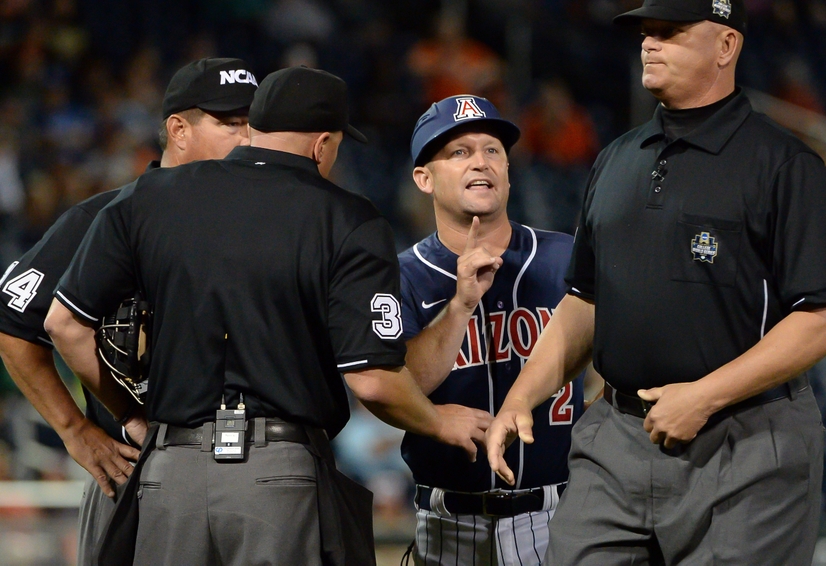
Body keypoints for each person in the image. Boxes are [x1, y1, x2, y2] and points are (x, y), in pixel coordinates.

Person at [44, 66, 492, 566]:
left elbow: (64, 324)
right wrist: (436, 420)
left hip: (170, 472)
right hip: (277, 476)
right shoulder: (346, 217)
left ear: (254, 127)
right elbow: (371, 379)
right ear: (323, 144)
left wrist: (129, 412)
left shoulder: (150, 197)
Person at [485, 0, 826, 564]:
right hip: (616, 436)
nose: (649, 44)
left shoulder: (784, 165)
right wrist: (522, 395)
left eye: (671, 32)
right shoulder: (615, 159)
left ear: (726, 46)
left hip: (745, 442)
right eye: (646, 33)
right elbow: (585, 298)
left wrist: (705, 396)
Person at [0, 56, 257, 565]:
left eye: (255, 124)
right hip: (138, 470)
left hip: (254, 474)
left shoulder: (273, 225)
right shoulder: (102, 219)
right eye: (231, 124)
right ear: (178, 130)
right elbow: (14, 325)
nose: (249, 139)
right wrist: (76, 431)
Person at [398, 94, 600, 564]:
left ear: (508, 173)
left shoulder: (563, 257)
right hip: (448, 520)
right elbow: (402, 387)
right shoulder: (403, 275)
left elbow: (625, 347)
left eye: (493, 151)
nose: (480, 162)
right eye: (460, 152)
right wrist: (462, 304)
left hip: (559, 511)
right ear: (424, 179)